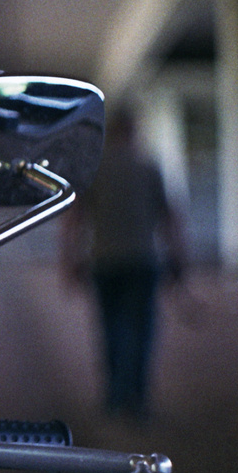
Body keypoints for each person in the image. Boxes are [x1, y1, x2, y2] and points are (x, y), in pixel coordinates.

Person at [61, 108, 187, 420]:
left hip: (105, 261)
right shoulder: (149, 167)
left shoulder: (94, 170)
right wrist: (178, 258)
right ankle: (138, 396)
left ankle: (114, 395)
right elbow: (170, 218)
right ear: (135, 131)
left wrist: (70, 260)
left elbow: (74, 220)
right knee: (143, 331)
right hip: (143, 261)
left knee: (110, 327)